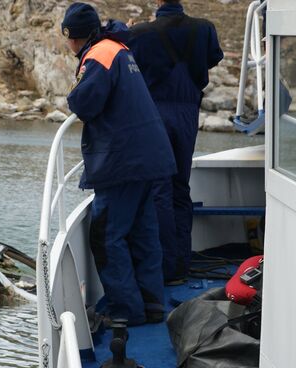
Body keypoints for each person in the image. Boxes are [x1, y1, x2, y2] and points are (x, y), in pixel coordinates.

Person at [62, 3, 177, 325]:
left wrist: (72, 94)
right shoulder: (119, 49)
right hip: (147, 156)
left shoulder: (99, 55)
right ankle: (152, 304)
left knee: (107, 234)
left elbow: (84, 103)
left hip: (123, 159)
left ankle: (125, 310)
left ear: (73, 35)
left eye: (67, 37)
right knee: (143, 233)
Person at [127, 0, 224, 283]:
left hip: (156, 114)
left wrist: (133, 30)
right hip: (187, 114)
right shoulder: (204, 29)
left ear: (157, 1)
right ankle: (182, 263)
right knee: (181, 186)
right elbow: (213, 58)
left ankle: (165, 268)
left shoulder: (141, 33)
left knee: (159, 189)